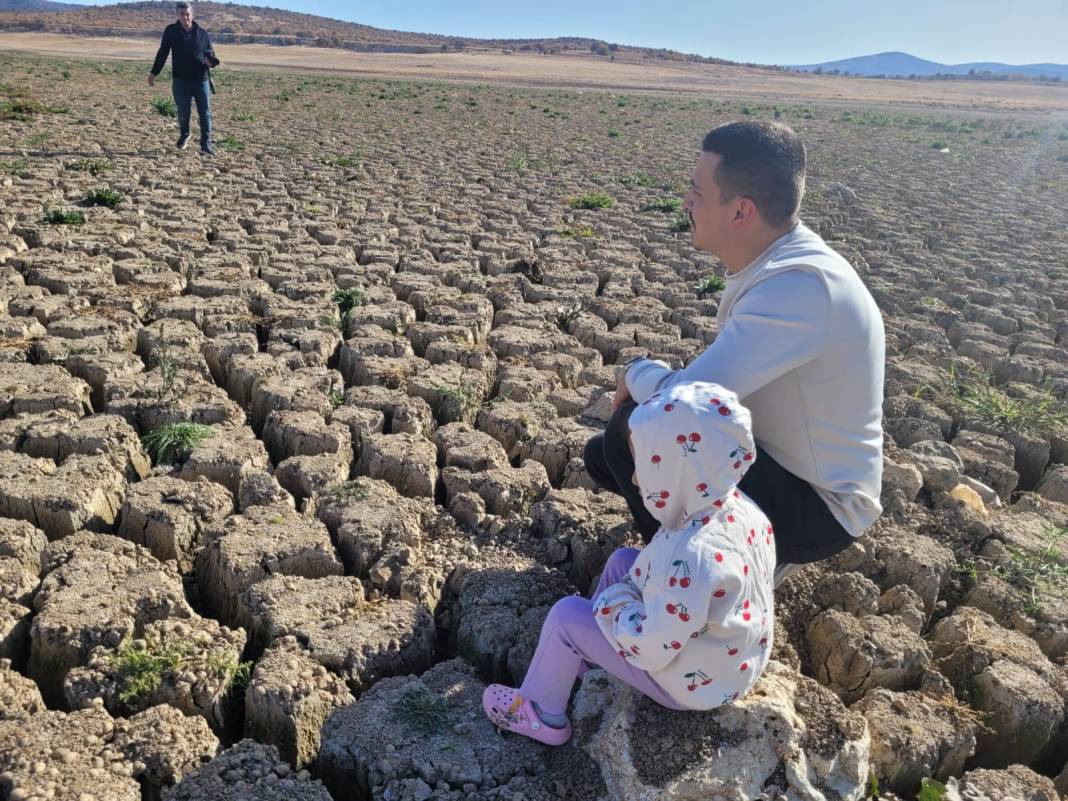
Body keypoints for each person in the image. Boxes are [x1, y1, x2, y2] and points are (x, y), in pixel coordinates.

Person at [584, 120, 885, 586]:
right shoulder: (778, 264)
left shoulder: (800, 285)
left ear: (741, 211)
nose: (686, 202)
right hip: (780, 462)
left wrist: (637, 371)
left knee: (637, 430)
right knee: (606, 455)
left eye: (697, 192)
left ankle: (698, 593)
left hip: (820, 504)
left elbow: (687, 399)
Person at [483, 383, 775, 745]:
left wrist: (612, 606)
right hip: (732, 658)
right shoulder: (742, 509)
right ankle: (589, 658)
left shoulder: (690, 553)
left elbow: (651, 646)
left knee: (566, 617)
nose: (636, 478)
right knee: (624, 561)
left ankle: (542, 712)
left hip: (695, 684)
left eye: (648, 467)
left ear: (678, 471)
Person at [148, 1, 219, 156]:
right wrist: (154, 73)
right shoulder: (171, 31)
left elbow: (210, 54)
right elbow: (163, 53)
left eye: (188, 14)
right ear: (177, 15)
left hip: (201, 80)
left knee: (205, 113)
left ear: (192, 14)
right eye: (182, 14)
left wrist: (211, 62)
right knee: (183, 112)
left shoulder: (202, 33)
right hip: (180, 81)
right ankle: (185, 134)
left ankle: (205, 146)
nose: (185, 17)